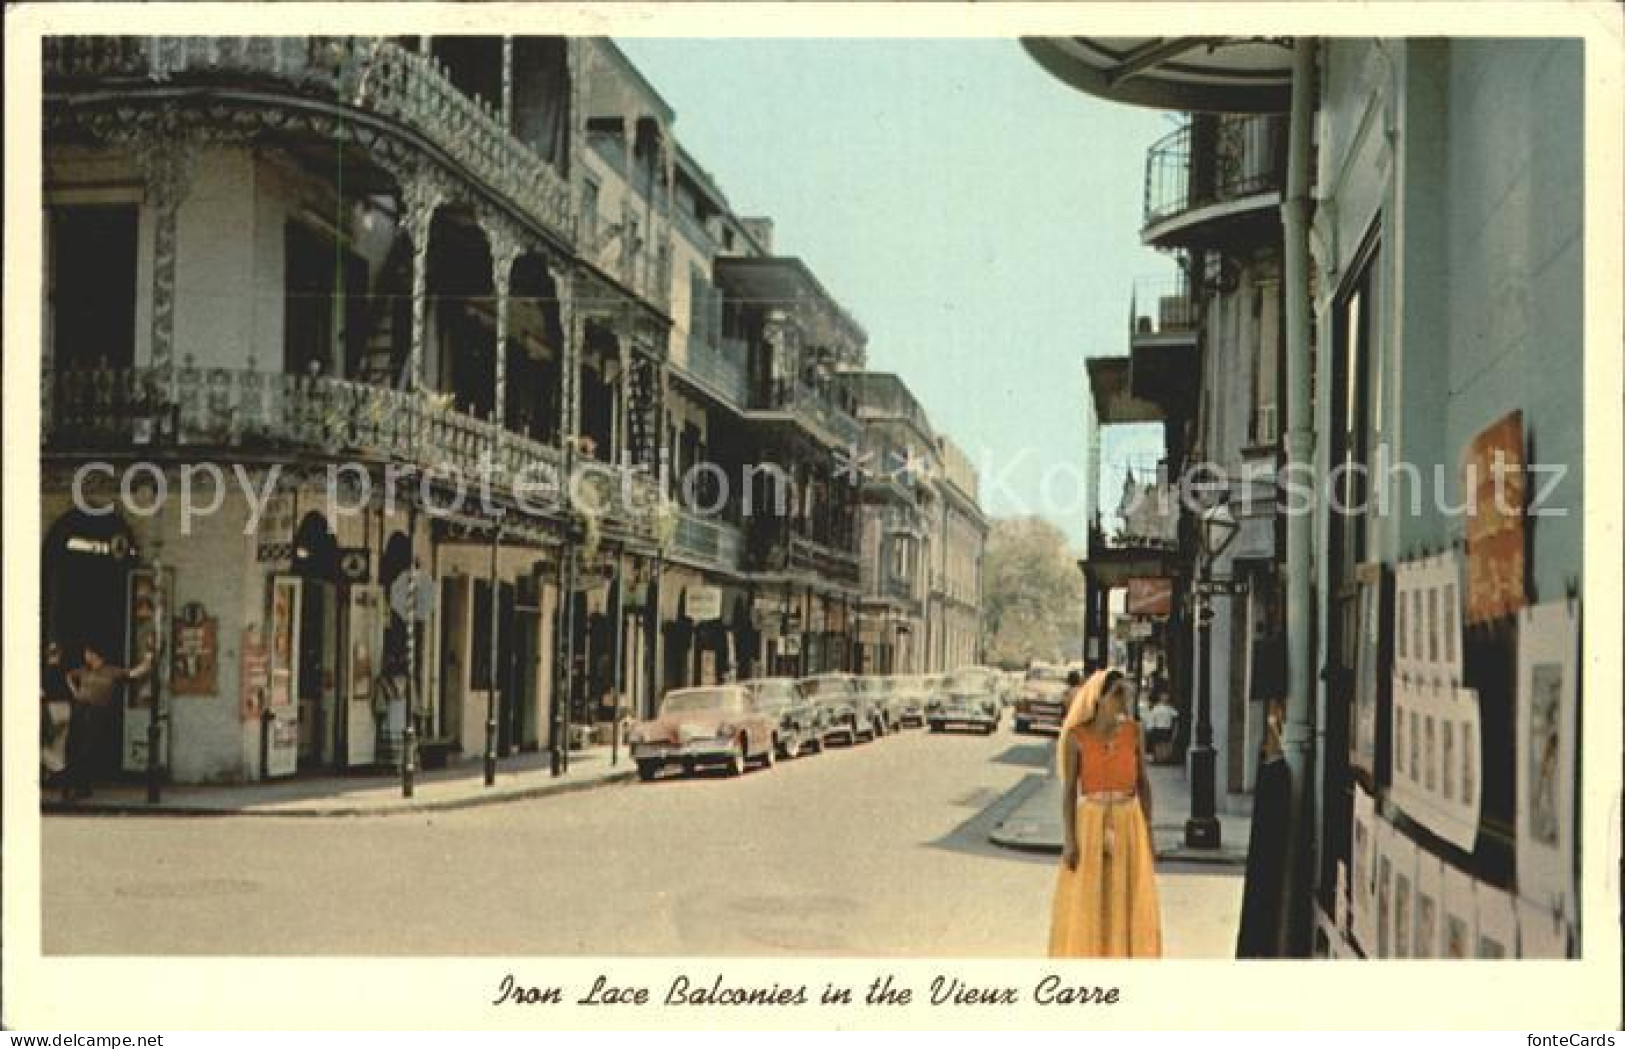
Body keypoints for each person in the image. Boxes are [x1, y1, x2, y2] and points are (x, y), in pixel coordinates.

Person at [1049, 667, 1162, 957]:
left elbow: (1143, 783)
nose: (1122, 701)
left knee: (1126, 891)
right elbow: (1069, 791)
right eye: (1116, 695)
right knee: (1093, 893)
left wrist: (1148, 831)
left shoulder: (1134, 733)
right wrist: (1070, 839)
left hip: (1128, 821)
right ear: (1098, 699)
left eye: (1126, 693)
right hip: (1091, 821)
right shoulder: (1077, 738)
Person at [62, 641, 153, 800]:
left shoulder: (110, 671)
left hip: (97, 711)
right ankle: (75, 785)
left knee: (87, 748)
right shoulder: (83, 671)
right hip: (80, 709)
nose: (86, 656)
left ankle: (83, 786)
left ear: (97, 655)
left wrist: (148, 660)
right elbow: (69, 676)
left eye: (88, 653)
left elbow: (133, 674)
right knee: (74, 746)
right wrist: (75, 692)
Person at [40, 641, 75, 784]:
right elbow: (73, 691)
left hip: (51, 708)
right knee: (59, 744)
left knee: (41, 744)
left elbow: (40, 693)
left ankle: (58, 769)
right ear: (59, 655)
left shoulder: (42, 672)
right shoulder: (66, 672)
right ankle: (52, 776)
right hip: (66, 708)